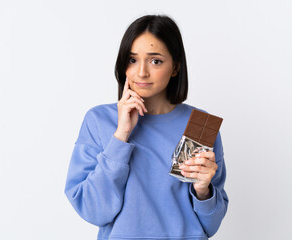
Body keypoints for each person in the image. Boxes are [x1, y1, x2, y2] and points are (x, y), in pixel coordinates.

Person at [64, 14, 228, 239]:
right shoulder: (99, 120)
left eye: (155, 61)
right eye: (132, 60)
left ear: (175, 67)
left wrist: (203, 191)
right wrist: (120, 136)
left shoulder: (199, 124)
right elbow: (93, 211)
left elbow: (210, 226)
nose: (141, 72)